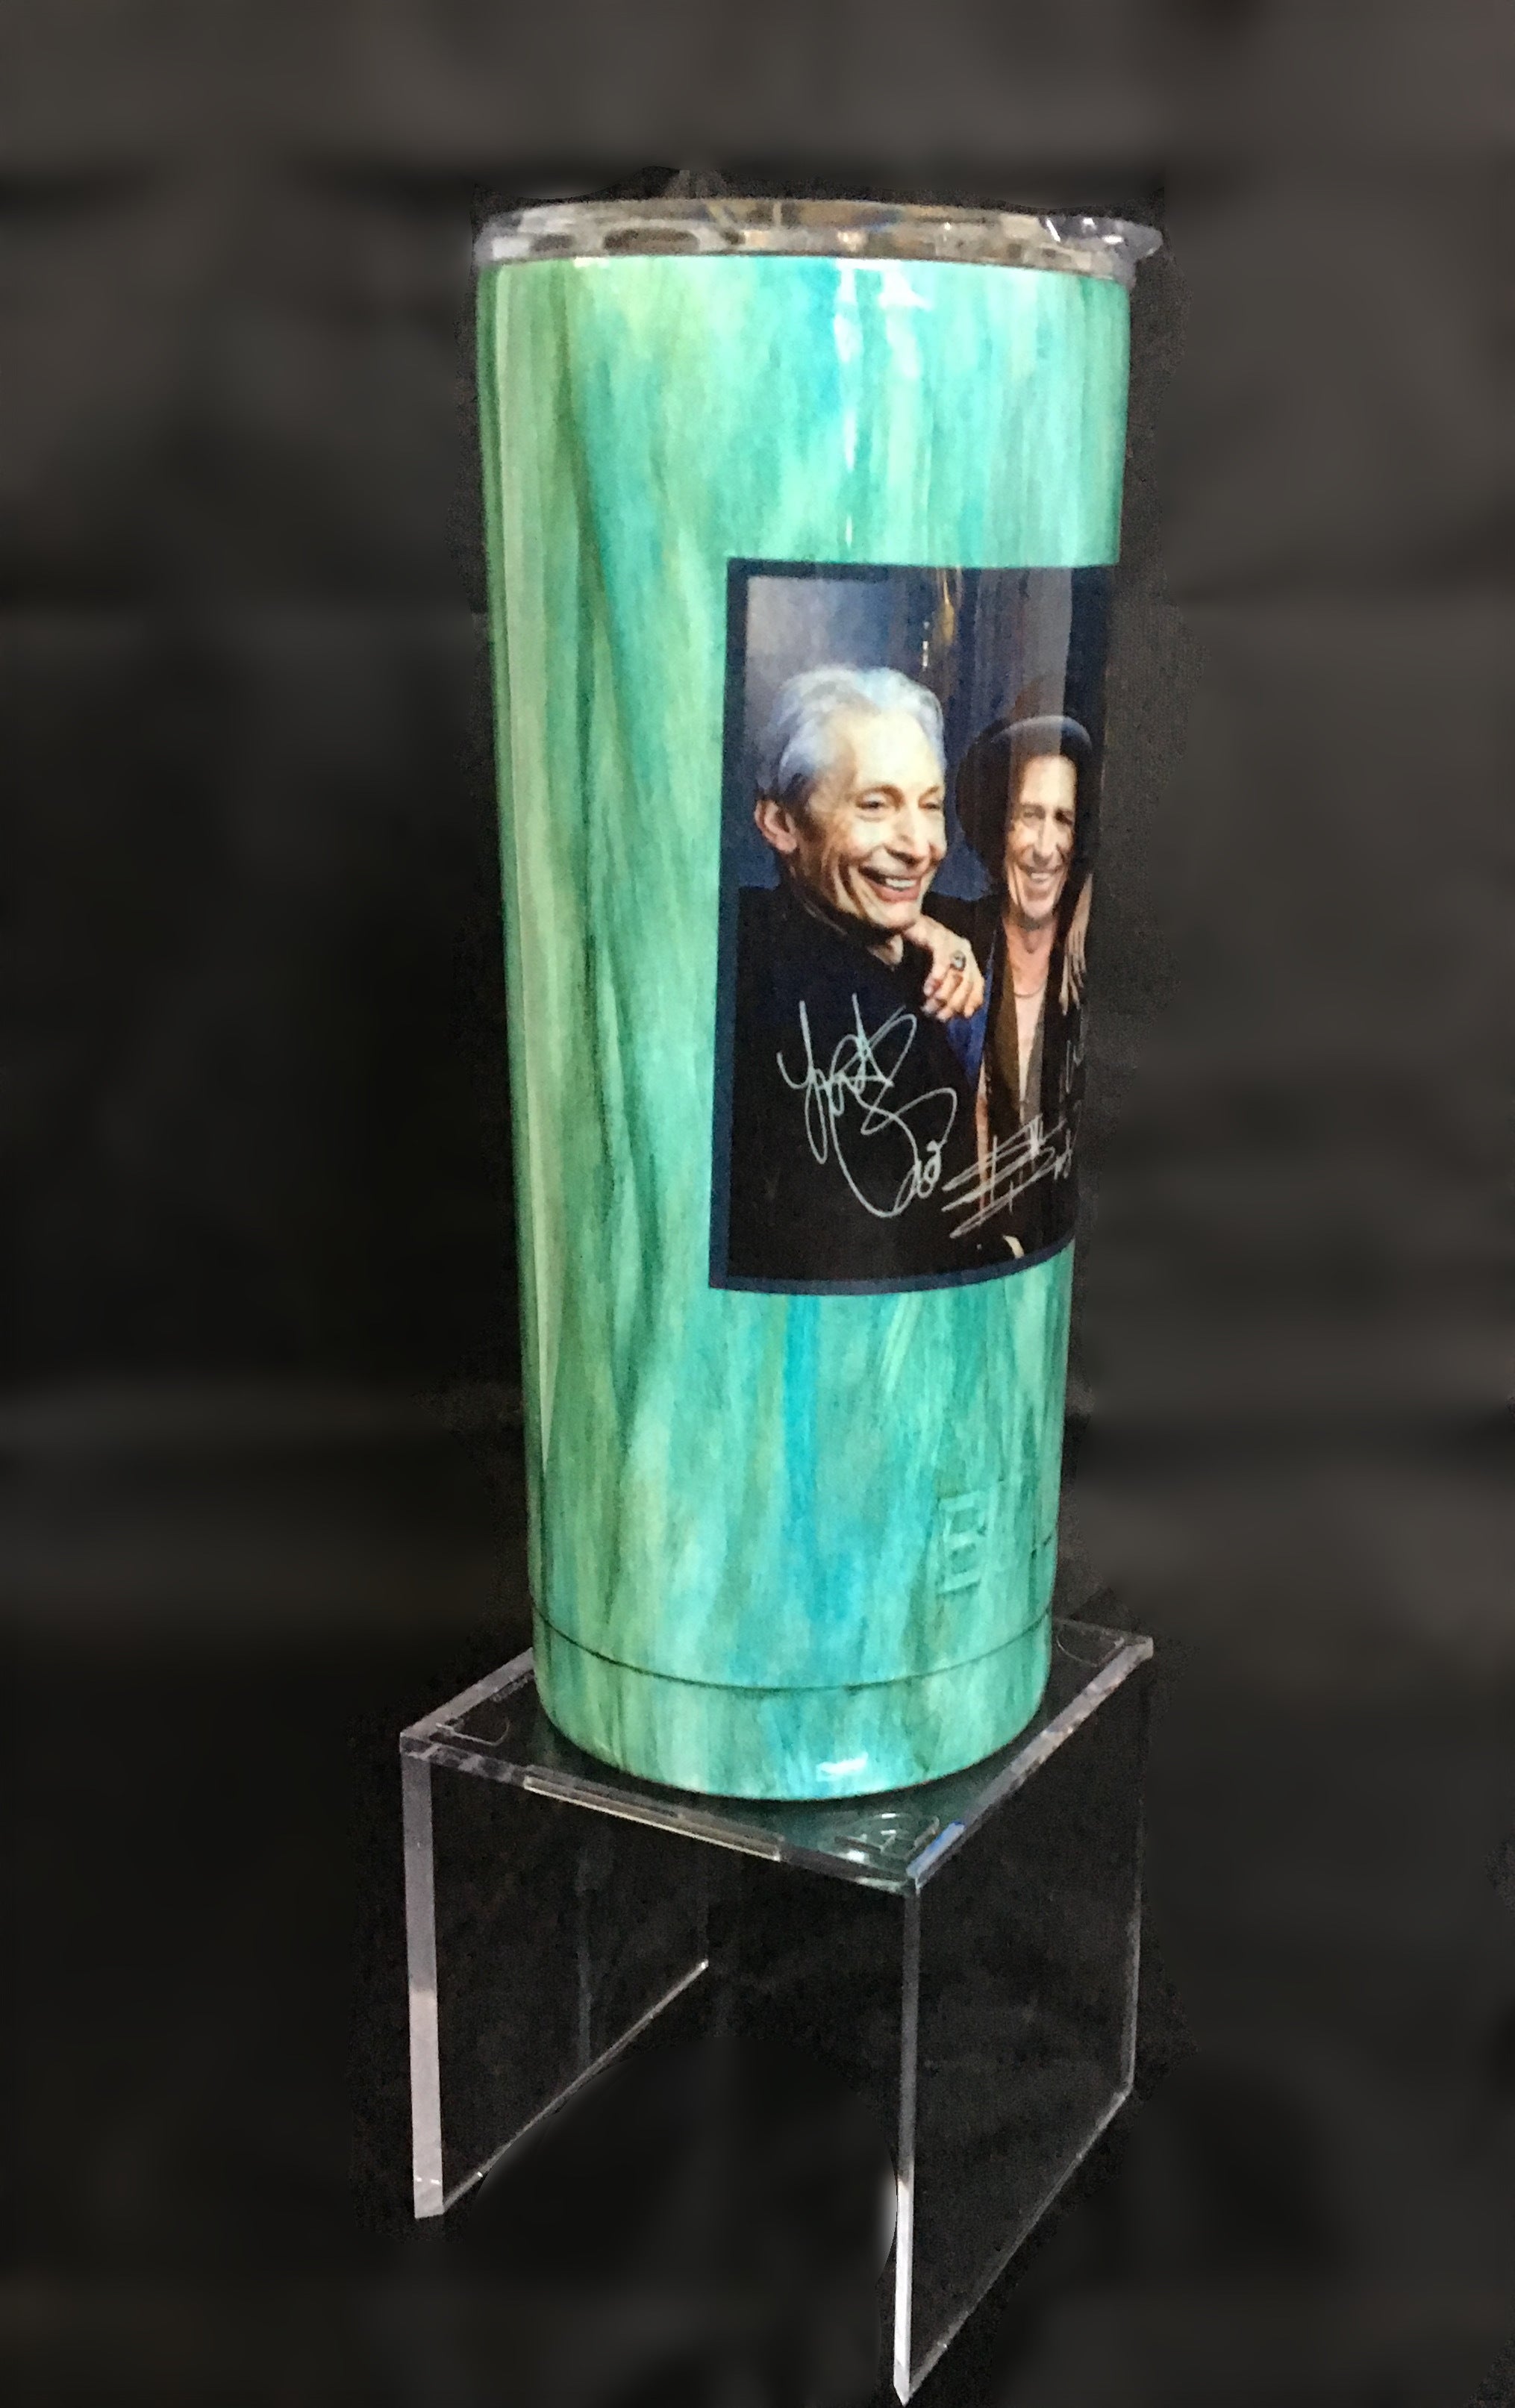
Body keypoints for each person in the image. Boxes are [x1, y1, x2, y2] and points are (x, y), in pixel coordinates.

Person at [724, 666, 985, 1283]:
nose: (920, 845)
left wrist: (931, 932)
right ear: (780, 824)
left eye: (930, 805)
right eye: (875, 805)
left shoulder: (922, 942)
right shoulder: (749, 984)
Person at [928, 701, 1094, 1262]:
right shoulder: (959, 934)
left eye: (1062, 819)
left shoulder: (1087, 958)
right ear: (1001, 828)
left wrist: (1094, 886)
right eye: (1029, 815)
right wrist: (930, 934)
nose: (1045, 848)